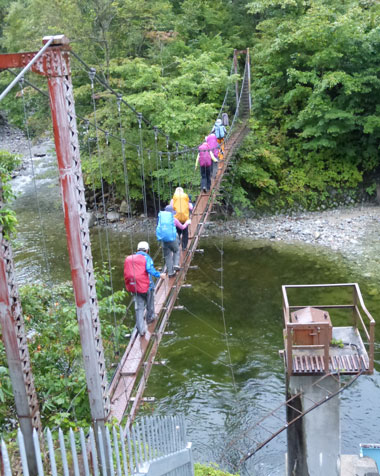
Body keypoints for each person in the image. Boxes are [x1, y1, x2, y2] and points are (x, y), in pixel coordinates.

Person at [124, 241, 165, 336]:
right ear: (147, 250)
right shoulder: (146, 258)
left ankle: (141, 329)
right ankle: (150, 318)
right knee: (150, 303)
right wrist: (159, 275)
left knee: (139, 308)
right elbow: (149, 269)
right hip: (146, 286)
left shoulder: (130, 259)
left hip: (134, 287)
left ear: (137, 249)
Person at [157, 207, 180, 278]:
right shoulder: (173, 219)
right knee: (176, 250)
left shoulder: (161, 218)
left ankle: (170, 272)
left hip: (164, 239)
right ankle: (176, 264)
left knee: (167, 256)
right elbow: (181, 227)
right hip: (173, 238)